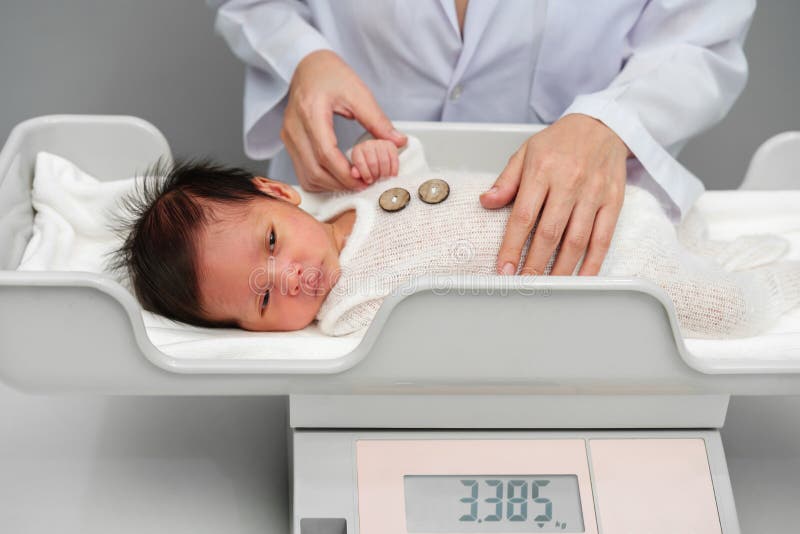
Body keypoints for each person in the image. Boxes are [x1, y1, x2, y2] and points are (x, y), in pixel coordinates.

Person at [210, 0, 756, 281]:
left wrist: (612, 123)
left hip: (584, 230)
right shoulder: (317, 286)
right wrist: (301, 57)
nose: (283, 278)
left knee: (692, 278)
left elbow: (701, 35)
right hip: (337, 187)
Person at [112, 137, 799, 338]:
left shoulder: (350, 195)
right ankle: (775, 281)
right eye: (262, 301)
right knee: (725, 310)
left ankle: (719, 250)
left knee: (686, 236)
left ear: (279, 191)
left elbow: (417, 170)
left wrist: (388, 158)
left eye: (270, 245)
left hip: (592, 206)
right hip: (600, 269)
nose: (289, 277)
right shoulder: (350, 307)